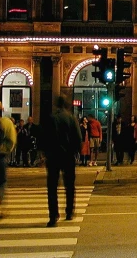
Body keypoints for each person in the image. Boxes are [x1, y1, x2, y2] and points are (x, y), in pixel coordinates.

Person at [42, 95, 83, 227]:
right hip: (68, 156)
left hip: (53, 156)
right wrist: (76, 152)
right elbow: (78, 137)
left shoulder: (51, 118)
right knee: (69, 185)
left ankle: (53, 216)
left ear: (56, 105)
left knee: (52, 187)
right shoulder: (71, 118)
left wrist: (45, 153)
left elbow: (45, 137)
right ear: (66, 104)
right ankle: (69, 211)